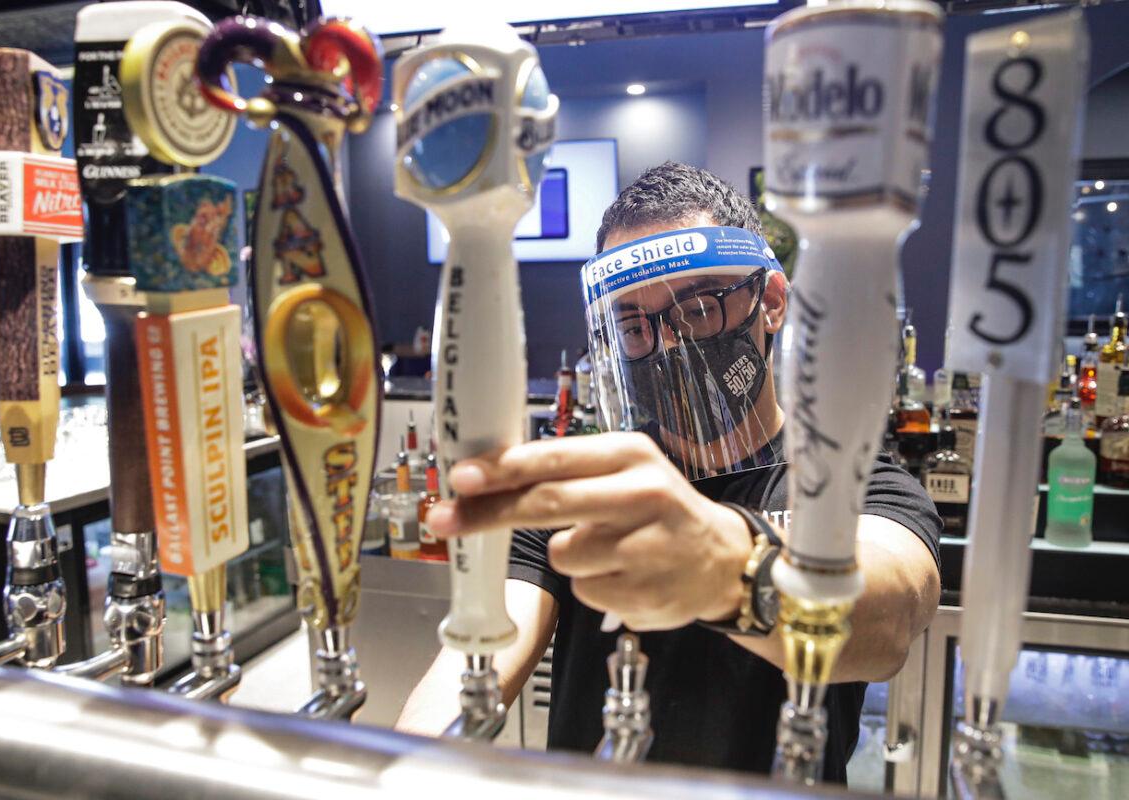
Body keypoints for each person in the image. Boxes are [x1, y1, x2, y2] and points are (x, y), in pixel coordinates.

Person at [396, 162, 941, 784]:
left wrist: (731, 573)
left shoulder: (853, 482)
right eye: (634, 325)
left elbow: (888, 618)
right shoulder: (586, 486)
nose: (668, 346)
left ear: (770, 303)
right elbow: (480, 655)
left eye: (700, 309)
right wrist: (409, 771)